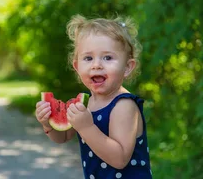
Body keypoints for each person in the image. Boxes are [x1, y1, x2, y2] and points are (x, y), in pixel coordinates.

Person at [34, 14, 152, 179]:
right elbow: (63, 137)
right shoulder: (87, 102)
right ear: (76, 66)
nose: (96, 65)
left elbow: (119, 159)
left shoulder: (124, 105)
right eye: (88, 58)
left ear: (127, 67)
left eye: (108, 57)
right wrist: (48, 124)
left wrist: (86, 127)